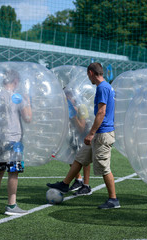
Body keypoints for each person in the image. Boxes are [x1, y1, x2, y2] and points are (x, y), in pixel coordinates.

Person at [47, 62, 119, 209]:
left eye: (88, 75)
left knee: (104, 168)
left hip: (103, 134)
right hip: (100, 133)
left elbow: (101, 112)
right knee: (80, 158)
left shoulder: (102, 88)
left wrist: (91, 133)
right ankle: (65, 184)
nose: (89, 79)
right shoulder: (105, 87)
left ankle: (113, 199)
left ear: (91, 73)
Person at [0, 69, 32, 215]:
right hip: (14, 139)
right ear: (16, 81)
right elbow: (28, 118)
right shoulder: (17, 97)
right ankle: (11, 205)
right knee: (13, 173)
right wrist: (28, 102)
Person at [65, 90, 92, 196]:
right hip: (72, 136)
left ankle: (86, 185)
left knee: (84, 160)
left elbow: (81, 128)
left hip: (83, 136)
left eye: (68, 98)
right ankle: (78, 180)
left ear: (73, 98)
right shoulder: (67, 107)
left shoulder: (81, 107)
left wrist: (74, 115)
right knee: (69, 157)